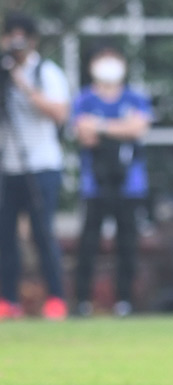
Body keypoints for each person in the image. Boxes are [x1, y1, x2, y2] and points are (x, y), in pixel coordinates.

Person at [72, 45, 152, 317]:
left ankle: (125, 300)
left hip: (129, 183)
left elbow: (138, 128)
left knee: (127, 243)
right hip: (94, 183)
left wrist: (101, 125)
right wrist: (120, 127)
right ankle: (82, 300)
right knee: (89, 243)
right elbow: (83, 133)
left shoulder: (134, 98)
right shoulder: (84, 99)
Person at [0, 12, 70, 320]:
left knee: (42, 235)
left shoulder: (46, 72)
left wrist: (23, 83)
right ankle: (7, 299)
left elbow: (59, 113)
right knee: (5, 238)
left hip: (42, 166)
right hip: (7, 165)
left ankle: (56, 298)